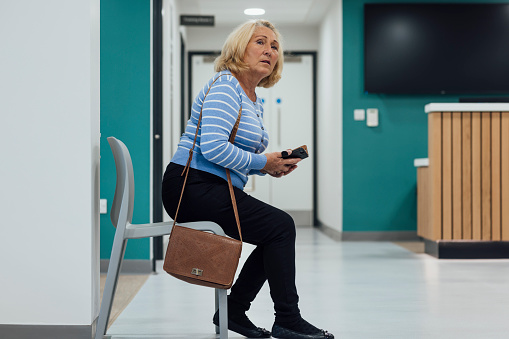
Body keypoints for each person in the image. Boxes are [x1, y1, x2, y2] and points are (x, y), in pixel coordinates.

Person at [161, 19, 334, 339]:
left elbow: (229, 153)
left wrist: (268, 166)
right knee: (281, 226)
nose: (269, 49)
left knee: (275, 231)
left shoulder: (252, 98)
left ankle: (236, 312)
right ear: (239, 47)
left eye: (275, 46)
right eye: (260, 42)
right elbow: (212, 147)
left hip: (213, 184)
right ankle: (286, 319)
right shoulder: (226, 85)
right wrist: (262, 162)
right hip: (191, 185)